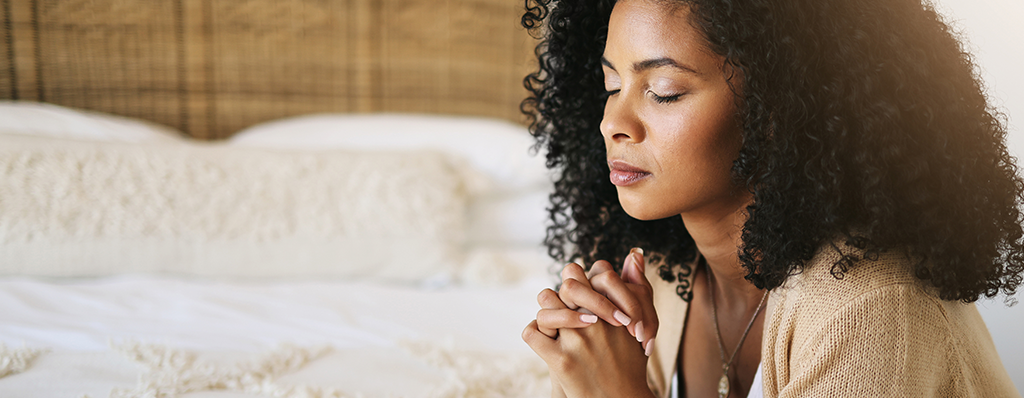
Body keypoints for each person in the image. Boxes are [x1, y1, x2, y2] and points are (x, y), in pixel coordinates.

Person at [518, 0, 1024, 397]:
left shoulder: (870, 310)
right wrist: (586, 362)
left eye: (664, 91)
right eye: (612, 84)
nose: (612, 123)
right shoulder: (660, 276)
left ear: (776, 108)